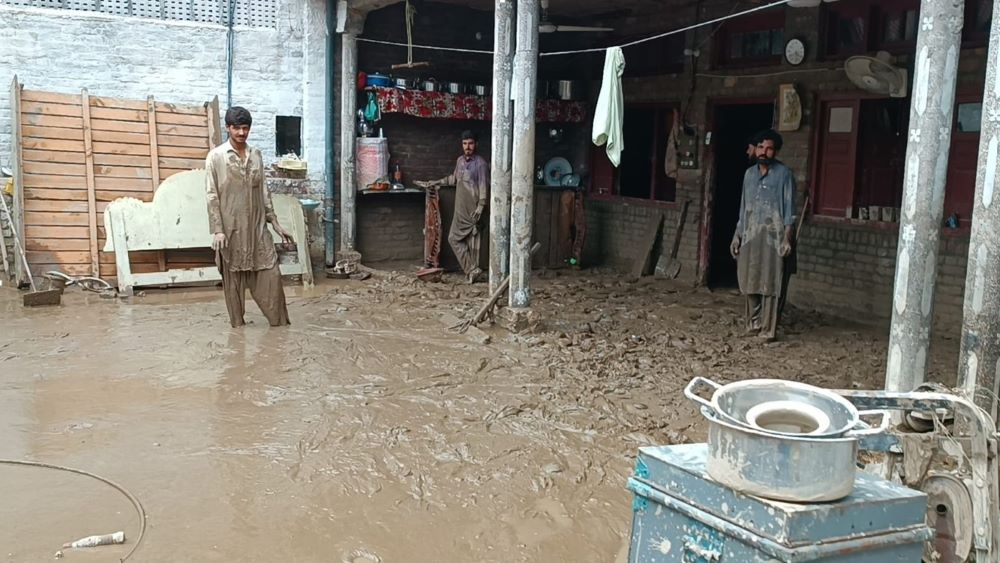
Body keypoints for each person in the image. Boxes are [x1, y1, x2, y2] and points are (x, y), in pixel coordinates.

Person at [206, 106, 294, 327]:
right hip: (230, 231)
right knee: (233, 286)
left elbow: (263, 190)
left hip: (257, 229)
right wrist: (217, 229)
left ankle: (280, 327)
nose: (241, 133)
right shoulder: (216, 157)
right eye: (236, 128)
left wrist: (275, 222)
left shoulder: (256, 155)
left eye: (245, 128)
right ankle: (238, 333)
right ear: (228, 128)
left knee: (272, 276)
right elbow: (211, 196)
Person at [730, 129, 796, 341]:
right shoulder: (749, 175)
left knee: (770, 282)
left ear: (775, 152)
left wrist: (787, 237)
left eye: (769, 148)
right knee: (750, 280)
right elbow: (743, 208)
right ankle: (752, 324)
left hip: (773, 237)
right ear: (755, 149)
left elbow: (789, 210)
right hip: (750, 236)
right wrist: (736, 235)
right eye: (760, 147)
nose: (764, 152)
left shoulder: (784, 174)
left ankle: (768, 330)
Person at [416, 131, 489, 283]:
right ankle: (472, 270)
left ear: (476, 144)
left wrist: (481, 206)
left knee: (473, 244)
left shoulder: (481, 163)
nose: (467, 147)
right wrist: (436, 182)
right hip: (460, 209)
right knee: (454, 239)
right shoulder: (460, 161)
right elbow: (453, 179)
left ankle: (473, 272)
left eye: (470, 143)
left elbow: (484, 186)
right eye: (464, 143)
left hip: (474, 211)